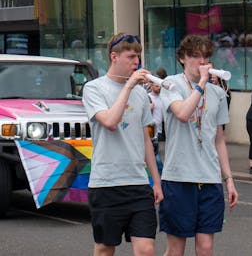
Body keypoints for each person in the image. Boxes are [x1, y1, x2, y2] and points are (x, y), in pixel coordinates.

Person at [82, 33, 164, 256]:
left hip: (138, 183)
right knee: (105, 248)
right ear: (114, 57)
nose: (136, 62)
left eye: (138, 56)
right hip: (106, 184)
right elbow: (110, 121)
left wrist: (156, 181)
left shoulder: (140, 94)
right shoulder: (93, 88)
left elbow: (146, 139)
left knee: (146, 249)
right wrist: (128, 87)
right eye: (130, 56)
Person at [157, 35, 238, 255]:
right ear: (182, 58)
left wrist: (229, 179)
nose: (201, 62)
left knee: (206, 246)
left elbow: (219, 138)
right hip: (179, 177)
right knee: (176, 247)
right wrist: (202, 83)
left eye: (205, 57)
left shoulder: (218, 93)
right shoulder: (170, 84)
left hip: (209, 177)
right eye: (195, 56)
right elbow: (183, 113)